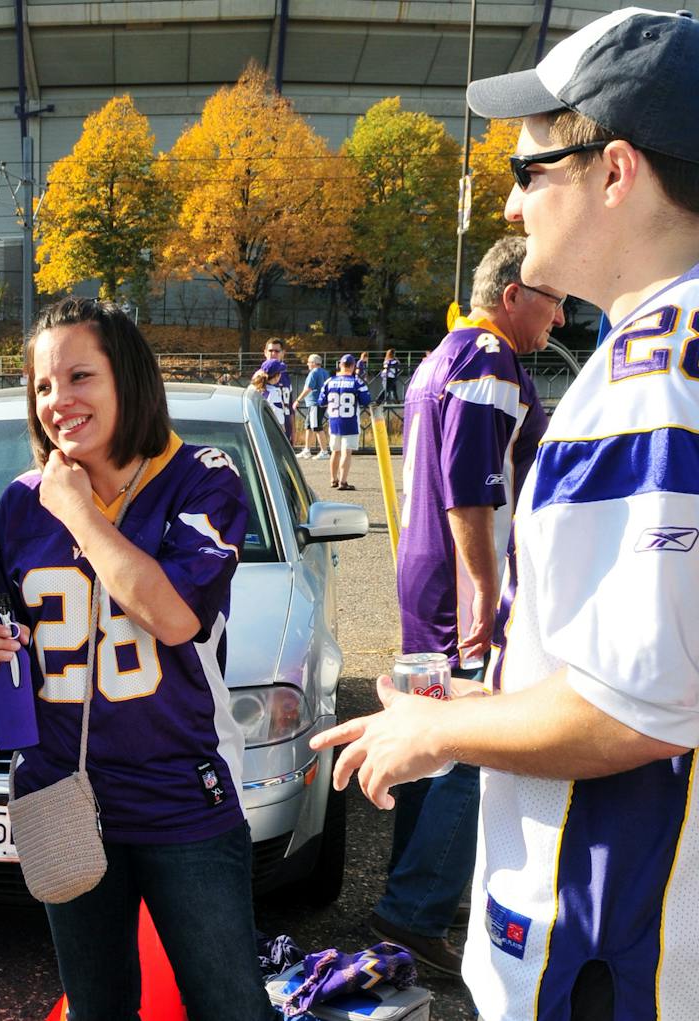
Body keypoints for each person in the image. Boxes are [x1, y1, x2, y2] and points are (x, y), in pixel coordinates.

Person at [314, 9, 699, 1019]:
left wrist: (442, 731)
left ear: (615, 171)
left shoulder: (656, 378)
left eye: (532, 170)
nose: (513, 201)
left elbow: (632, 704)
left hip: (615, 920)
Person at [0, 297, 272, 1021]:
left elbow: (172, 615)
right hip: (64, 791)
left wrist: (76, 508)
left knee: (228, 1005)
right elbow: (1, 623)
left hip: (180, 791)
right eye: (43, 386)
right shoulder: (17, 503)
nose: (58, 401)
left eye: (79, 376)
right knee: (98, 1008)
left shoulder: (202, 475)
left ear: (127, 377)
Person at [371, 236, 563, 975]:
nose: (560, 317)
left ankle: (413, 890)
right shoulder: (489, 361)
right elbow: (471, 491)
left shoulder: (442, 354)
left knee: (427, 730)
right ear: (512, 294)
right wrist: (486, 586)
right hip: (463, 585)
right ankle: (415, 908)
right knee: (470, 745)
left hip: (424, 578)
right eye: (551, 300)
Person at [320, 353, 369, 490]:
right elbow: (366, 400)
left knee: (335, 451)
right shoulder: (357, 382)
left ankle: (333, 479)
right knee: (346, 452)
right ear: (353, 366)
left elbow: (321, 401)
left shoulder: (329, 381)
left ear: (340, 365)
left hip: (334, 421)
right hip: (351, 422)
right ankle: (343, 481)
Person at [293, 353, 330, 458]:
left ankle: (324, 451)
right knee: (309, 426)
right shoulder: (325, 372)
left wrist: (298, 400)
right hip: (322, 402)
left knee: (316, 426)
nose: (308, 364)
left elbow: (308, 388)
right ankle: (307, 449)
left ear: (313, 363)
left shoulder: (314, 373)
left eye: (309, 362)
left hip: (315, 403)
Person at [261, 337, 294, 441]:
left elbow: (290, 405)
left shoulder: (285, 375)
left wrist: (293, 430)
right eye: (270, 350)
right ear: (265, 352)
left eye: (277, 351)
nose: (273, 353)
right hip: (269, 427)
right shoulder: (261, 376)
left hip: (285, 425)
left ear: (283, 353)